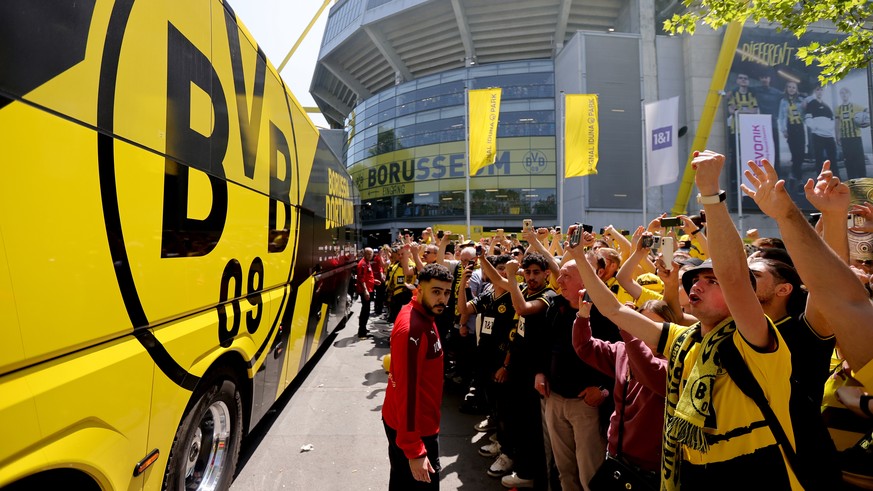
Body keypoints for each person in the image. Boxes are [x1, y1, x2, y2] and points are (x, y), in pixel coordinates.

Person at [566, 150, 801, 489]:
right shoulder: (683, 338)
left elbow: (734, 275)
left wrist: (709, 193)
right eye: (694, 280)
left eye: (711, 281)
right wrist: (578, 257)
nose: (697, 285)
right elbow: (615, 310)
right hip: (689, 474)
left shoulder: (753, 340)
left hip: (756, 476)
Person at [740, 157, 873, 401]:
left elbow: (835, 292)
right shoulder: (723, 328)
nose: (742, 280)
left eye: (755, 275)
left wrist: (791, 215)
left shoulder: (804, 333)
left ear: (784, 289)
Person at [382, 263, 453, 490]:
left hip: (413, 424)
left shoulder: (422, 314)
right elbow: (407, 391)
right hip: (416, 431)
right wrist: (414, 450)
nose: (442, 299)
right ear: (419, 290)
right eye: (436, 292)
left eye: (446, 292)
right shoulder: (412, 329)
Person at [803, 86, 838, 175]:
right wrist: (816, 128)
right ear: (815, 91)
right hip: (817, 136)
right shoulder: (811, 104)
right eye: (817, 90)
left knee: (833, 159)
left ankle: (836, 179)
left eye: (821, 90)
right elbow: (808, 119)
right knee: (819, 159)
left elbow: (832, 120)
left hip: (829, 136)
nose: (819, 92)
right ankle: (820, 181)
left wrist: (827, 128)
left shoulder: (826, 106)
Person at [835, 86, 868, 179]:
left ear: (849, 94)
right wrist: (837, 136)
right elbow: (837, 123)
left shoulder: (856, 106)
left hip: (856, 137)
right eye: (842, 93)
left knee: (860, 160)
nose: (844, 94)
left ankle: (863, 180)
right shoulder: (838, 109)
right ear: (840, 95)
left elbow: (867, 112)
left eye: (846, 92)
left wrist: (866, 123)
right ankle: (852, 181)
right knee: (849, 161)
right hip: (845, 139)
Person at [752, 72, 783, 167]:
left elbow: (789, 96)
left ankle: (776, 170)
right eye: (762, 77)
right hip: (760, 125)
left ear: (769, 79)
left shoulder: (777, 93)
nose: (764, 79)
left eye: (766, 77)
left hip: (773, 123)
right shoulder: (755, 90)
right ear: (760, 79)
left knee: (774, 148)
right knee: (762, 149)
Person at [778, 81, 807, 182]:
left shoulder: (801, 100)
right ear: (786, 89)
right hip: (790, 128)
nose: (791, 89)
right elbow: (781, 117)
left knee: (801, 153)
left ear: (796, 89)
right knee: (795, 154)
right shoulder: (783, 101)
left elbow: (805, 114)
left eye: (794, 87)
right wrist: (783, 130)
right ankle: (799, 179)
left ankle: (793, 173)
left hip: (800, 128)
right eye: (789, 87)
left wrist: (805, 106)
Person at [356, 247, 377, 339]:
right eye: (368, 254)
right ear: (364, 254)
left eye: (371, 253)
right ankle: (362, 332)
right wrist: (365, 291)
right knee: (365, 311)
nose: (370, 255)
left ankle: (363, 329)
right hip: (366, 291)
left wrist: (374, 281)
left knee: (366, 310)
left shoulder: (367, 263)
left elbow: (367, 277)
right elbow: (361, 279)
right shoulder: (363, 264)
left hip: (369, 289)